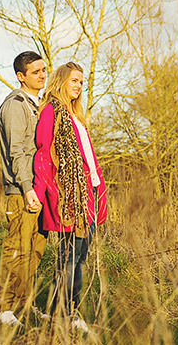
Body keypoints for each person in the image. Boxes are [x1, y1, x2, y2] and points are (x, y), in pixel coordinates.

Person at [33, 62, 107, 332]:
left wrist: (99, 190)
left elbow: (88, 158)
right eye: (74, 80)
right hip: (69, 197)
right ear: (61, 81)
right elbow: (43, 155)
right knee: (69, 259)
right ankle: (62, 315)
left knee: (80, 258)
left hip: (89, 194)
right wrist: (43, 193)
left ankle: (69, 312)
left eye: (81, 82)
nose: (78, 86)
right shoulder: (52, 112)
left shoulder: (77, 117)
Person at [0, 51, 49, 326]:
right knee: (17, 249)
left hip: (37, 188)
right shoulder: (15, 104)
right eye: (36, 71)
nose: (42, 75)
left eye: (43, 70)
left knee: (35, 248)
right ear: (21, 76)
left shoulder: (36, 104)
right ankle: (1, 309)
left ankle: (22, 305)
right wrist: (27, 189)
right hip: (21, 190)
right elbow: (17, 152)